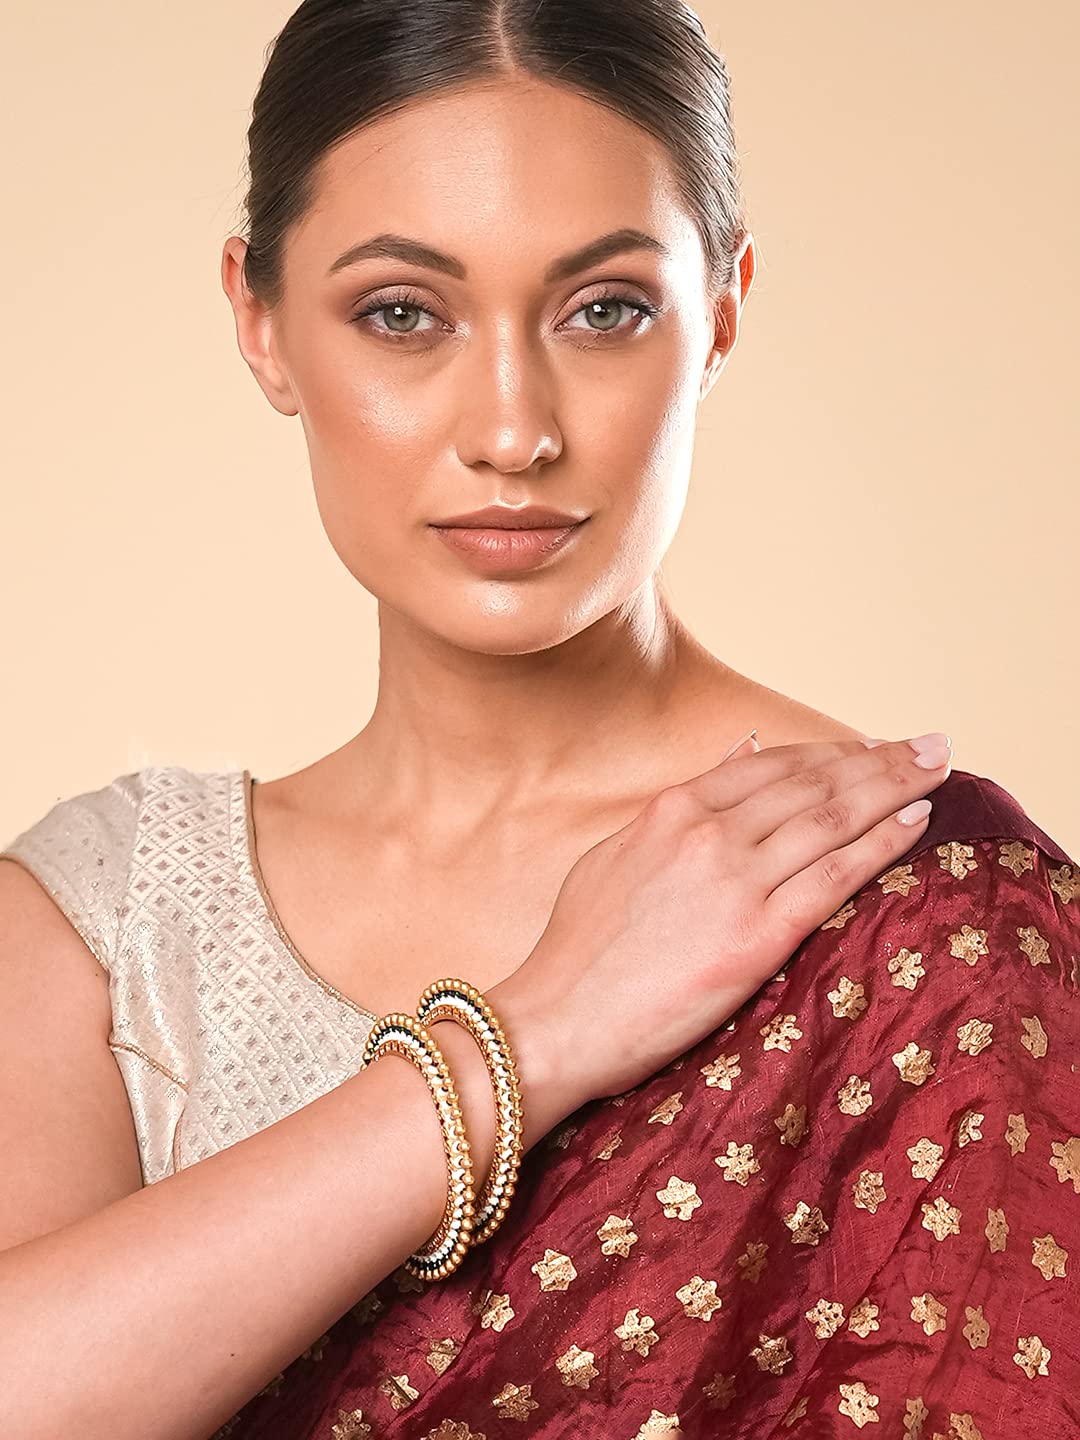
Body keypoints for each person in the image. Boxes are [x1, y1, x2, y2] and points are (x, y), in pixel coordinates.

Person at [0, 3, 1073, 1438]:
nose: (513, 431)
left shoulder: (923, 916)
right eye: (403, 314)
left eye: (605, 310)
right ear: (260, 324)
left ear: (724, 312)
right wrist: (537, 1032)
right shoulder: (111, 920)